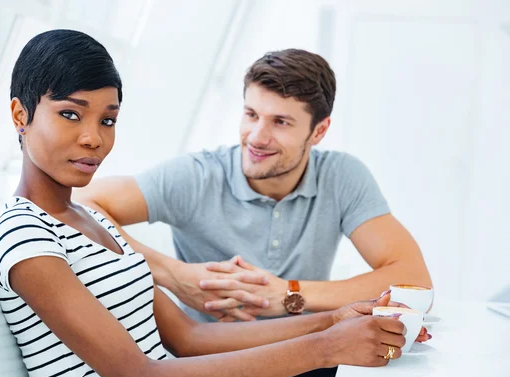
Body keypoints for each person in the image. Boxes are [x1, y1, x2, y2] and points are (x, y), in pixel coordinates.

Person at [0, 29, 420, 377]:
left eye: (108, 120)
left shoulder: (93, 224)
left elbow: (191, 339)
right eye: (70, 115)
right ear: (20, 114)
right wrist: (326, 346)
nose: (92, 138)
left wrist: (333, 320)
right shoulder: (24, 233)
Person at [76, 49, 433, 324]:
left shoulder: (342, 176)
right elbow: (80, 200)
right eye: (251, 115)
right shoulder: (198, 175)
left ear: (319, 131)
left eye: (280, 122)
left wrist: (292, 294)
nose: (257, 137)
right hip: (211, 363)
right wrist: (176, 275)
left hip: (309, 356)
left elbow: (414, 279)